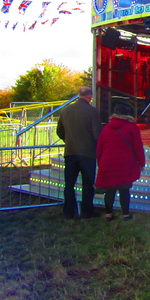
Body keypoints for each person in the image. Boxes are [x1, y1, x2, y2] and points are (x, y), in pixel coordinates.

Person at [94, 103, 145, 221]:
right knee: (124, 190)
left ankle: (108, 214)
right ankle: (126, 215)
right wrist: (141, 162)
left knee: (110, 190)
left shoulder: (106, 128)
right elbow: (138, 147)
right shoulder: (132, 127)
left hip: (108, 163)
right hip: (125, 164)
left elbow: (99, 148)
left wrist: (100, 163)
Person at [57, 87, 102, 220]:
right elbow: (97, 134)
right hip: (87, 153)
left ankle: (69, 212)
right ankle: (87, 211)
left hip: (70, 152)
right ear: (90, 97)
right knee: (87, 184)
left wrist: (69, 140)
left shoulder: (65, 110)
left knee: (69, 184)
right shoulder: (92, 112)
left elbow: (59, 130)